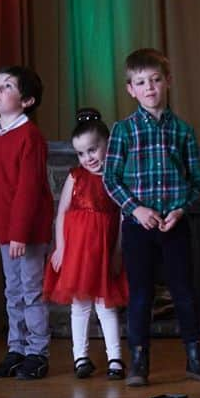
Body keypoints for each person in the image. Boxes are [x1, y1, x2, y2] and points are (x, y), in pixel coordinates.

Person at [103, 47, 200, 387]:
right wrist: (135, 209)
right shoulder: (123, 131)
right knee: (140, 293)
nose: (150, 88)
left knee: (184, 291)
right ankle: (138, 361)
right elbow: (111, 179)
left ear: (168, 82)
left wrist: (180, 208)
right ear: (131, 89)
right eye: (141, 82)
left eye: (156, 80)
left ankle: (196, 358)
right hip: (139, 226)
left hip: (175, 224)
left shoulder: (183, 131)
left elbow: (197, 181)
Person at [0, 66, 54, 379]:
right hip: (5, 232)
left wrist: (20, 233)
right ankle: (16, 349)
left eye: (7, 86)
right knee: (12, 292)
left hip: (27, 233)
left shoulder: (30, 136)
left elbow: (28, 190)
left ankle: (37, 353)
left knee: (31, 291)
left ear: (27, 100)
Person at [43, 108, 128, 379]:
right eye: (81, 153)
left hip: (104, 250)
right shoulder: (75, 176)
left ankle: (115, 358)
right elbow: (62, 213)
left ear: (107, 145)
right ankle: (80, 357)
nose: (87, 158)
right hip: (78, 252)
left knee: (106, 304)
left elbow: (124, 217)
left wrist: (117, 252)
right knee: (79, 305)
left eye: (93, 149)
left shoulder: (116, 178)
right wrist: (61, 248)